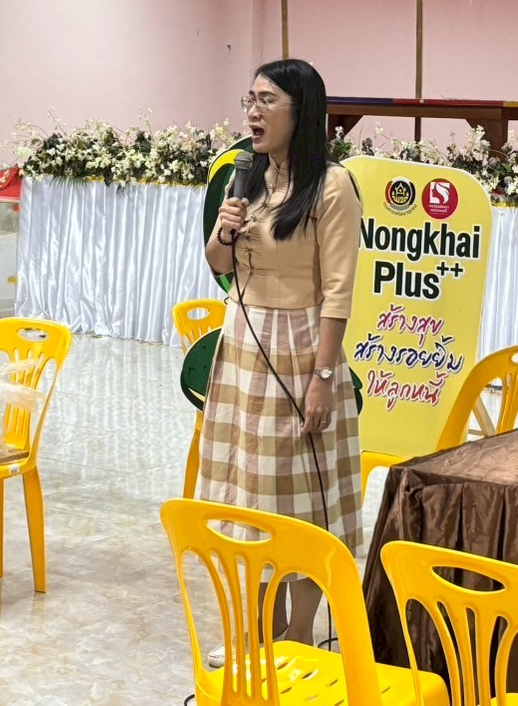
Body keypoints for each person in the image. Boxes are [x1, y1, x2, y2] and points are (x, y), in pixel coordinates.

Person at [199, 58, 362, 655]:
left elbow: (339, 290)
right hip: (242, 344)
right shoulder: (250, 181)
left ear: (302, 112)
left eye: (267, 101)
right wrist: (224, 229)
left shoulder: (333, 186)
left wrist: (323, 376)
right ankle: (259, 634)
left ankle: (299, 637)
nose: (252, 112)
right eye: (250, 99)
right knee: (252, 495)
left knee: (300, 499)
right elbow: (220, 267)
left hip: (299, 350)